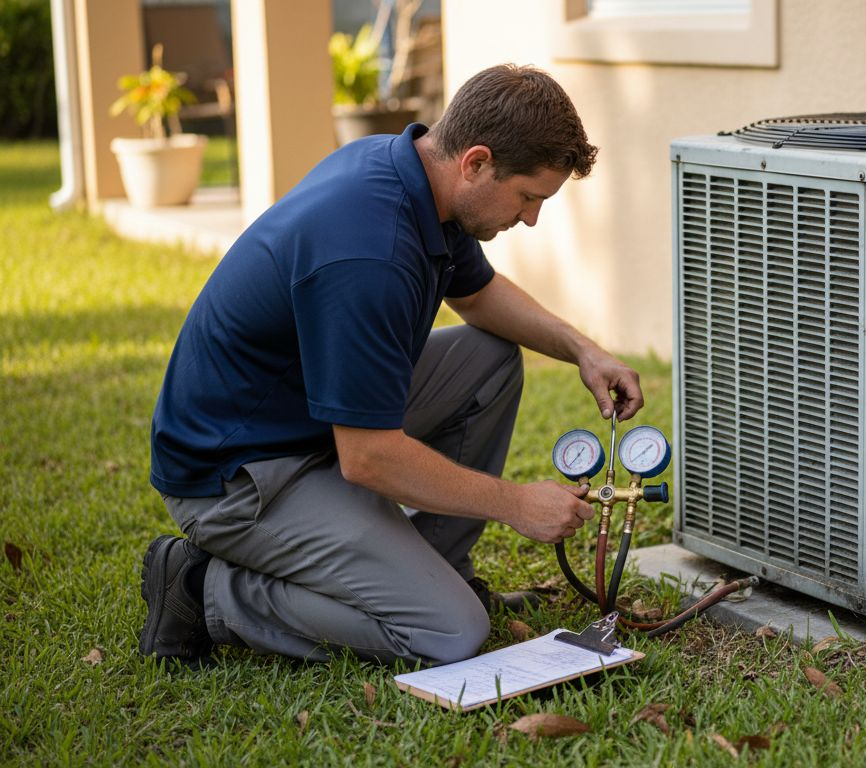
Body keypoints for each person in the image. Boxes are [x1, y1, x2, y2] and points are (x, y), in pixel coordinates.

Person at [139, 64, 643, 668]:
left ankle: (440, 569)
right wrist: (516, 503)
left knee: (487, 358)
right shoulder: (370, 251)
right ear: (476, 162)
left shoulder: (414, 173)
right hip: (238, 475)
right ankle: (203, 588)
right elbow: (369, 456)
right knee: (451, 633)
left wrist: (582, 349)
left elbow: (478, 296)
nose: (531, 217)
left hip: (303, 420)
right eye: (529, 197)